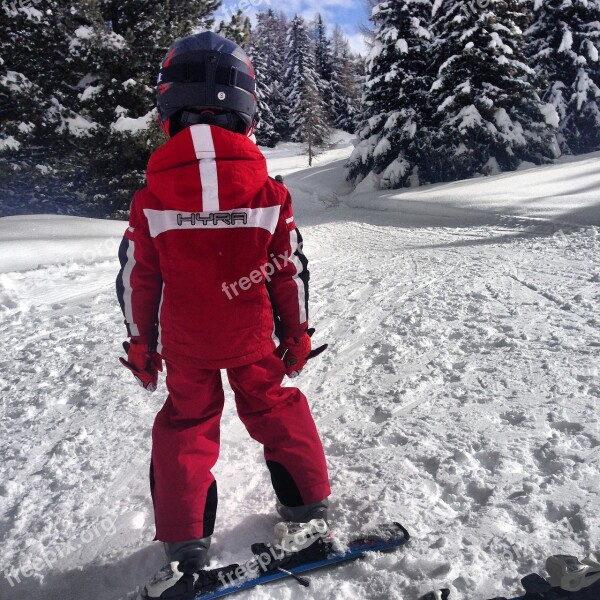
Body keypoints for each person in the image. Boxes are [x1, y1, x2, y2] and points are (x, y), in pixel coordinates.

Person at [115, 32, 331, 599]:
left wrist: (143, 344)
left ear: (169, 106)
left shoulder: (150, 198)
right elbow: (288, 269)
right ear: (246, 106)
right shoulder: (268, 192)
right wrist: (296, 333)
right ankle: (307, 506)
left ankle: (186, 545)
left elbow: (140, 276)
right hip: (253, 336)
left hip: (187, 344)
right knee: (277, 408)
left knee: (185, 427)